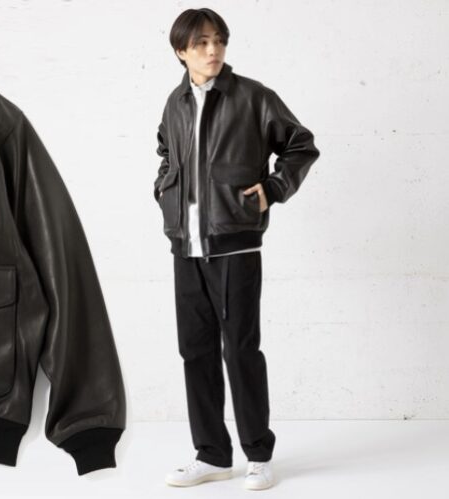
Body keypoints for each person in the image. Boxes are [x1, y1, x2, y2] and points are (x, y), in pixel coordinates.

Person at [153, 8, 320, 491]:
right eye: (201, 43)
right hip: (185, 246)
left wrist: (273, 188)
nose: (213, 50)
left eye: (219, 41)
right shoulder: (175, 103)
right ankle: (211, 454)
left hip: (234, 246)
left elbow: (301, 145)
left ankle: (258, 455)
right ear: (181, 51)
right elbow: (166, 152)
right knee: (195, 352)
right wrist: (164, 190)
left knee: (241, 351)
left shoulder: (252, 97)